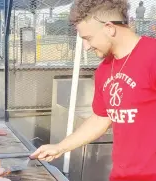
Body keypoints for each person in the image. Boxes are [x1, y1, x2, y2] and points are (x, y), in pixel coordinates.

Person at [31, 0, 156, 181]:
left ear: (109, 28)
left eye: (88, 38)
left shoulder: (152, 56)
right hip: (121, 176)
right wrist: (60, 147)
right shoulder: (105, 69)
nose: (87, 47)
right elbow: (101, 118)